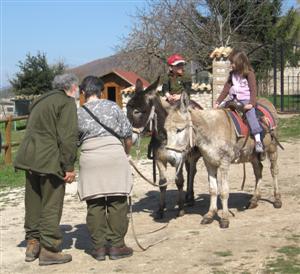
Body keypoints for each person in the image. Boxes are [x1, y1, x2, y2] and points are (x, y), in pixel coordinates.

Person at [13, 73, 79, 265]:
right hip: (50, 160)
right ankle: (49, 250)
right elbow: (68, 137)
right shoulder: (66, 102)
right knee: (51, 203)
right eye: (77, 89)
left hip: (29, 157)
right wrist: (69, 166)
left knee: (33, 202)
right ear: (73, 88)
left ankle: (32, 244)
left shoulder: (40, 100)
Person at [77, 76, 133, 261]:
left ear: (83, 93)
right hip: (114, 155)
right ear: (101, 91)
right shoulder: (113, 107)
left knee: (95, 203)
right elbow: (127, 134)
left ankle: (99, 248)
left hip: (90, 158)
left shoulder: (78, 113)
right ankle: (117, 246)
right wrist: (125, 153)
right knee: (117, 201)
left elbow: (74, 140)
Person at [214, 49, 264, 153]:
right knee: (219, 111)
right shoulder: (232, 74)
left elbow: (253, 90)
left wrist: (251, 104)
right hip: (234, 100)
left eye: (232, 63)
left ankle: (258, 140)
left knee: (251, 114)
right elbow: (226, 89)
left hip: (246, 100)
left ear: (240, 62)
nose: (231, 65)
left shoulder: (249, 74)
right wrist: (218, 102)